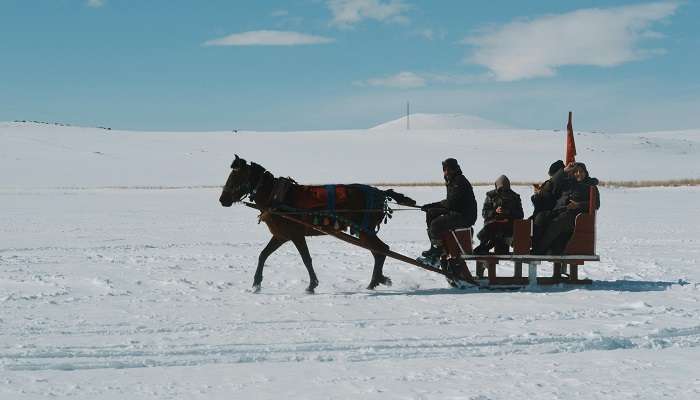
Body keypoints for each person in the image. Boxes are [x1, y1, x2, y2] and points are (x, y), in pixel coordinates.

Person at [533, 162, 600, 255]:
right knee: (540, 217)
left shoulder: (590, 186)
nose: (578, 173)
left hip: (574, 216)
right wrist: (564, 171)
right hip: (559, 211)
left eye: (581, 171)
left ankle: (539, 251)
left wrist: (578, 205)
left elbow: (596, 204)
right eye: (576, 171)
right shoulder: (567, 182)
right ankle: (535, 246)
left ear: (586, 172)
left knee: (557, 222)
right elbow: (554, 182)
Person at [419, 158, 478, 261]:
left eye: (447, 169)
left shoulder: (459, 181)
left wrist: (433, 205)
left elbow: (451, 203)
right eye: (444, 169)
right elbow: (450, 202)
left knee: (436, 224)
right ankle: (436, 246)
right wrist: (431, 207)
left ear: (453, 169)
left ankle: (437, 252)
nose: (445, 172)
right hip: (457, 211)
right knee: (431, 213)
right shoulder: (452, 180)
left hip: (465, 216)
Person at [473, 175, 524, 254]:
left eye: (505, 190)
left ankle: (483, 248)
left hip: (507, 227)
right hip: (492, 226)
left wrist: (508, 212)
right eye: (501, 189)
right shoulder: (491, 196)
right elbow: (484, 213)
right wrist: (494, 211)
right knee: (491, 233)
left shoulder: (514, 197)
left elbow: (520, 215)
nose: (503, 191)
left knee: (501, 252)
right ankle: (483, 248)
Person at [530, 160, 565, 245]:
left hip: (552, 211)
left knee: (538, 219)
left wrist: (538, 194)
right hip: (550, 210)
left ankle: (535, 244)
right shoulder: (554, 182)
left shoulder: (556, 182)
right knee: (529, 221)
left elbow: (550, 200)